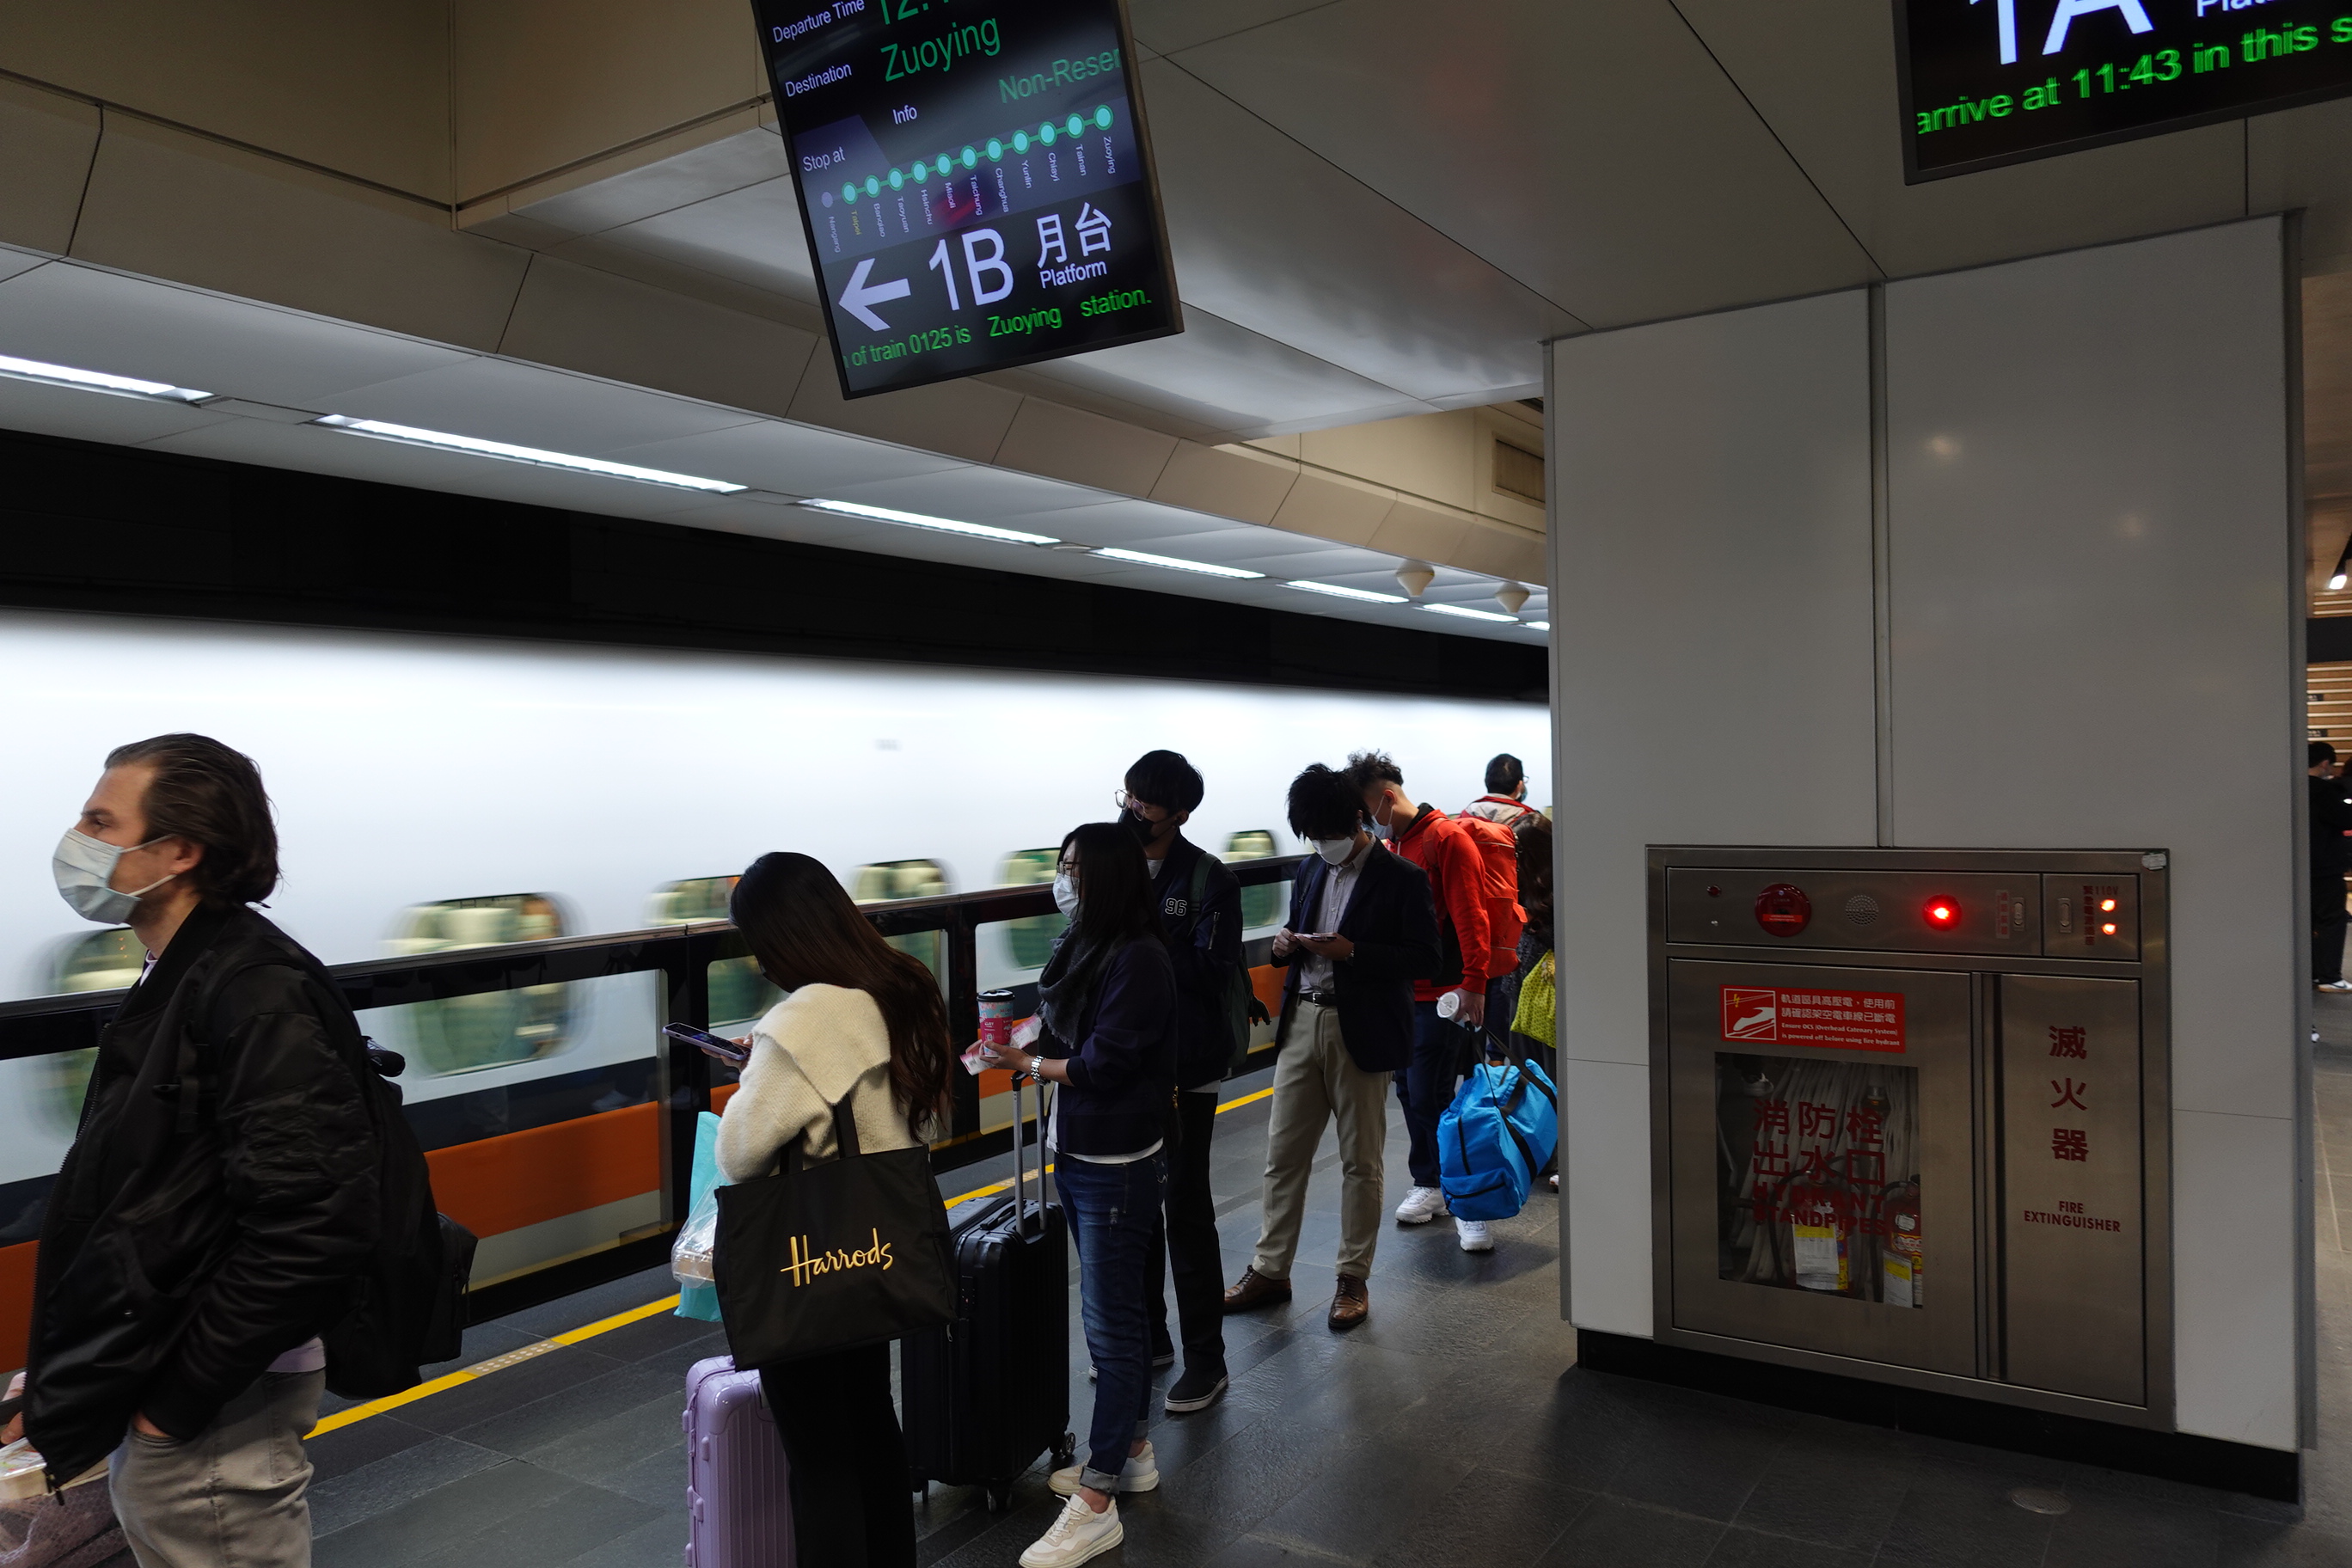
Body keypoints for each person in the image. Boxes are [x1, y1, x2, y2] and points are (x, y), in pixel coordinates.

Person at [15, 734, 382, 1568]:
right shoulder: (182, 971)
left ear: (179, 852)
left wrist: (172, 1408)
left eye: (99, 822)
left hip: (218, 1397)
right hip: (179, 1368)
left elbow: (315, 1223)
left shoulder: (252, 990)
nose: (76, 840)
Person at [714, 851, 953, 1567]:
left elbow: (740, 1153)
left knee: (819, 1460)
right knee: (873, 1427)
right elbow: (923, 1122)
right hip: (875, 1251)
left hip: (810, 1261)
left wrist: (756, 1074)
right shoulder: (899, 990)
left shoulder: (798, 1025)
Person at [983, 824, 1175, 1568]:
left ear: (1108, 877)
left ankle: (1097, 1505)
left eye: (1074, 868)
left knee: (1112, 1325)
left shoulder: (1139, 957)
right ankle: (1131, 1452)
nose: (1062, 881)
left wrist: (1029, 1064)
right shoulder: (1088, 945)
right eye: (1060, 866)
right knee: (1115, 1313)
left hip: (1115, 1161)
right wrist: (1028, 1045)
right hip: (1082, 1150)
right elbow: (1073, 1033)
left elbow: (1102, 1065)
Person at [1222, 765, 1439, 1330]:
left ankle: (1352, 1278)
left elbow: (1425, 957)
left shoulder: (1402, 877)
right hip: (1303, 1020)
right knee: (1282, 1156)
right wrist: (1284, 945)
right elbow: (1298, 931)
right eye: (1311, 836)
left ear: (1358, 818)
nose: (1321, 845)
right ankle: (1270, 1269)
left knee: (1360, 1162)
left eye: (1328, 834)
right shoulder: (1309, 869)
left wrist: (1354, 952)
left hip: (1360, 1027)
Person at [1117, 750, 1251, 1414]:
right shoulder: (1109, 866)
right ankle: (1151, 1337)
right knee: (1136, 1204)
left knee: (1187, 1207)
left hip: (1188, 1066)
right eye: (1129, 796)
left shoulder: (1209, 879)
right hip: (1127, 1065)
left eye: (1145, 802)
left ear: (1180, 814)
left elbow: (1209, 969)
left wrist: (1139, 945)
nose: (1132, 810)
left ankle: (1207, 1360)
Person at [1345, 750, 1496, 1251]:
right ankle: (1431, 1182)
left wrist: (1475, 983)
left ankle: (1467, 1202)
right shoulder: (1393, 843)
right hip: (1403, 991)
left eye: (1365, 809)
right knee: (1411, 1091)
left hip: (1445, 992)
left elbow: (1471, 915)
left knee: (1432, 1092)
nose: (1363, 820)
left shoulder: (1446, 839)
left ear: (1386, 798)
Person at [2314, 741, 2352, 992]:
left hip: (2302, 866)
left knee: (2308, 920)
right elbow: (2345, 819)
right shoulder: (2326, 791)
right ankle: (2329, 976)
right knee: (2331, 919)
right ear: (2325, 763)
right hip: (2326, 866)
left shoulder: (2293, 788)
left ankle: (2311, 972)